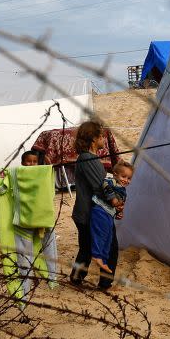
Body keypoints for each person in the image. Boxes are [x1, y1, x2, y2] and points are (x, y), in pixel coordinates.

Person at [70, 122, 119, 289]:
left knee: (86, 249)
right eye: (101, 136)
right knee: (110, 248)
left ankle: (76, 278)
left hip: (90, 213)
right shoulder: (87, 158)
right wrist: (116, 203)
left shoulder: (90, 158)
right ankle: (105, 283)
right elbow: (101, 187)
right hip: (94, 214)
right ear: (93, 139)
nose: (104, 139)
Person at [20, 149, 58, 288]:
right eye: (28, 161)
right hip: (27, 217)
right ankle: (26, 280)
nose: (31, 164)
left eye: (34, 162)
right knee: (26, 249)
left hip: (43, 215)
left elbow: (51, 184)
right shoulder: (18, 174)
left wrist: (49, 167)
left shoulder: (44, 173)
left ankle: (52, 276)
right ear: (22, 163)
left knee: (49, 245)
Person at [90, 161, 132, 273]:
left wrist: (119, 212)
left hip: (109, 214)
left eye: (129, 178)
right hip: (100, 210)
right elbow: (105, 184)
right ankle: (96, 255)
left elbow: (119, 205)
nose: (126, 180)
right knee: (101, 233)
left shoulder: (124, 191)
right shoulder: (111, 181)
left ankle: (103, 260)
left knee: (108, 238)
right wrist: (112, 198)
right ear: (115, 174)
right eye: (123, 176)